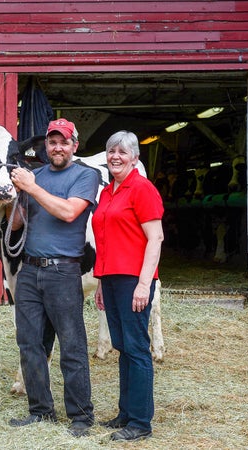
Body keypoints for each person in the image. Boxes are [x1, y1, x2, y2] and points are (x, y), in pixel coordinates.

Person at [7, 118, 99, 437]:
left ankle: (81, 416)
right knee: (30, 343)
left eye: (64, 142)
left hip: (64, 270)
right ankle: (41, 411)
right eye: (52, 141)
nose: (57, 147)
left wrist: (31, 187)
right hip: (30, 269)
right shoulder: (37, 175)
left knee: (71, 344)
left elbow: (69, 212)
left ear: (75, 145)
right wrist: (16, 195)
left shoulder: (86, 175)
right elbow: (16, 225)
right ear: (45, 146)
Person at [92, 130, 164, 441]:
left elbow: (156, 238)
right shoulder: (108, 191)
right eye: (111, 152)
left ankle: (140, 422)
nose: (115, 157)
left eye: (123, 152)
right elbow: (107, 239)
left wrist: (143, 284)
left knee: (136, 348)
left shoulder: (142, 188)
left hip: (134, 280)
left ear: (135, 157)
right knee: (122, 347)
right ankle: (125, 413)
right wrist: (100, 281)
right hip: (111, 279)